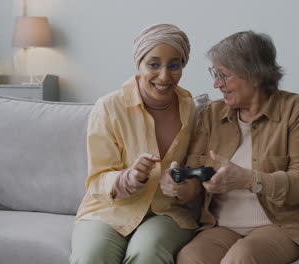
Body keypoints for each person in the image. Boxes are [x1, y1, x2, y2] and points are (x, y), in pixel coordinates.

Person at [175, 31, 299, 264]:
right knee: (190, 258)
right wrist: (178, 186)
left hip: (282, 225)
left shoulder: (298, 109)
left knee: (242, 257)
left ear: (254, 75)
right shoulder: (212, 114)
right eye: (215, 73)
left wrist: (248, 179)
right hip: (222, 226)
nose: (216, 84)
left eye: (223, 75)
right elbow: (194, 179)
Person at [70, 24, 201, 264]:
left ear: (183, 66)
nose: (164, 75)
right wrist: (127, 179)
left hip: (167, 213)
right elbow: (97, 179)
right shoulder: (109, 107)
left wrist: (184, 187)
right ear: (138, 64)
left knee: (147, 254)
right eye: (153, 64)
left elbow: (196, 173)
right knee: (91, 256)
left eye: (174, 65)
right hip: (108, 210)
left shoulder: (190, 109)